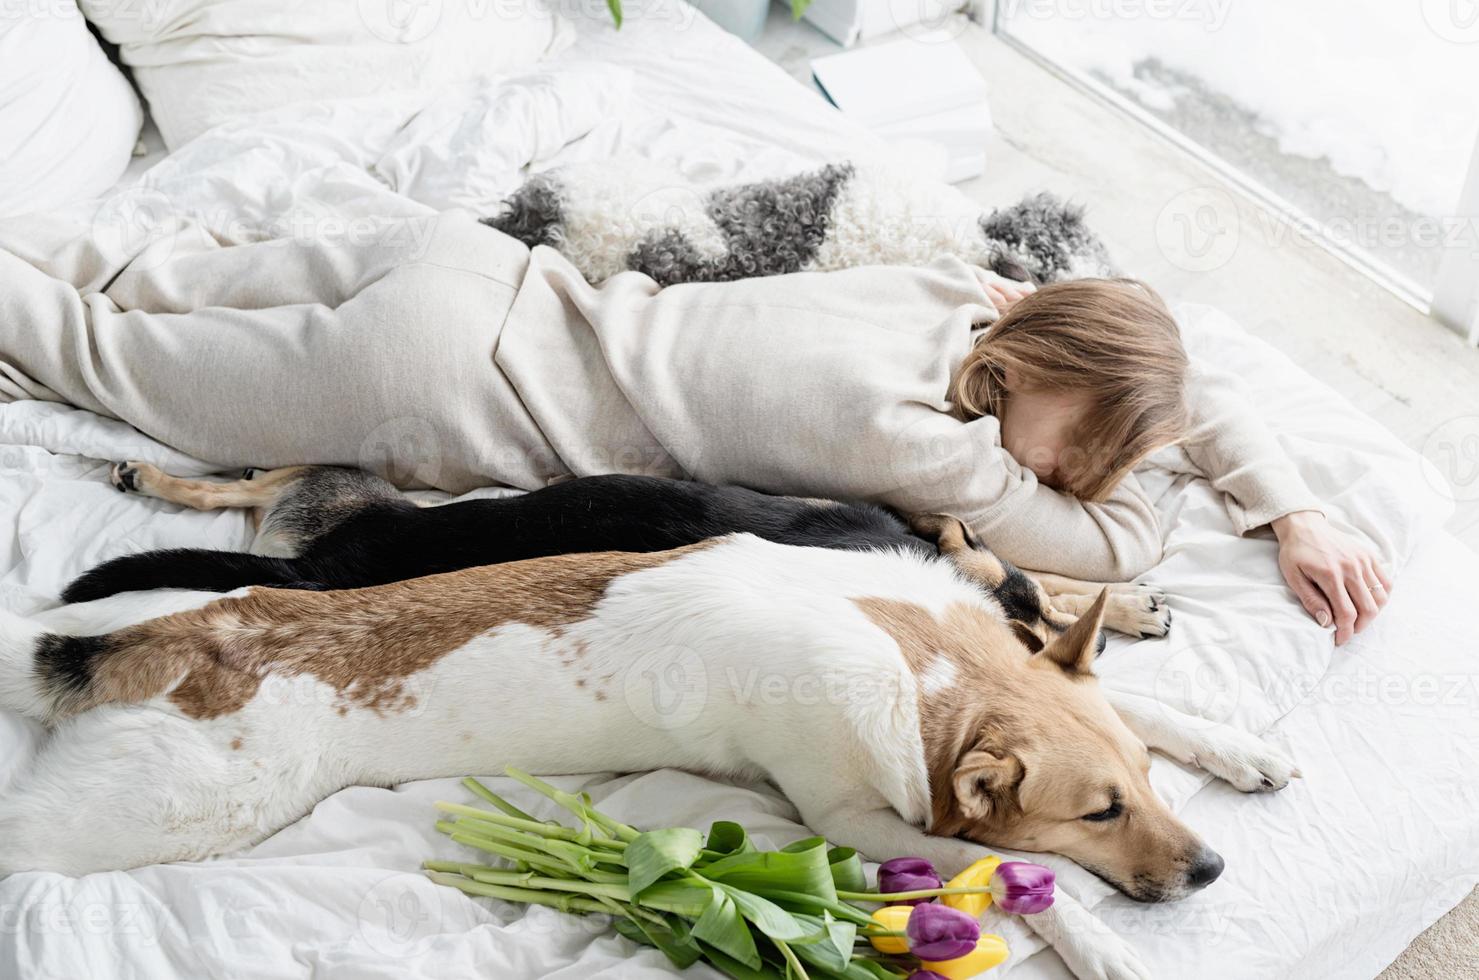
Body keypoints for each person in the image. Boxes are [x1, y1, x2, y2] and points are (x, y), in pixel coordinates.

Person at [0, 210, 1386, 641]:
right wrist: (1244, 497)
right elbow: (1125, 547)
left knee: (112, 288)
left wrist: (1292, 499)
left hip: (468, 267)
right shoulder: (915, 443)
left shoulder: (957, 294)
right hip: (420, 383)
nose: (1071, 477)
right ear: (1044, 374)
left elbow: (1162, 378)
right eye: (1080, 446)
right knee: (86, 351)